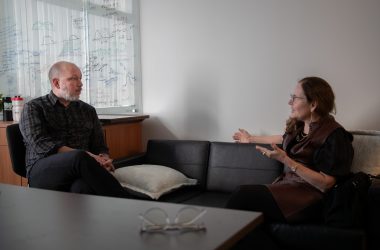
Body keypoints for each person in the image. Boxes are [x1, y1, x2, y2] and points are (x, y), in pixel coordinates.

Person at [227, 77, 354, 248]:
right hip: (289, 189)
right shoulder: (301, 126)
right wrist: (250, 138)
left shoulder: (335, 135)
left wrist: (287, 160)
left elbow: (326, 184)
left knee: (241, 196)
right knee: (244, 217)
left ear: (313, 104)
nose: (289, 102)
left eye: (295, 98)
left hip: (311, 198)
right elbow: (281, 138)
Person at [19, 61, 131, 198]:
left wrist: (104, 159)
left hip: (81, 169)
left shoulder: (88, 110)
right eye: (73, 78)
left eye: (80, 78)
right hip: (42, 171)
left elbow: (99, 145)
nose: (80, 83)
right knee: (79, 156)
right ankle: (128, 203)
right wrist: (90, 157)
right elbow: (40, 144)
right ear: (56, 83)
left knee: (82, 188)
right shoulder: (33, 108)